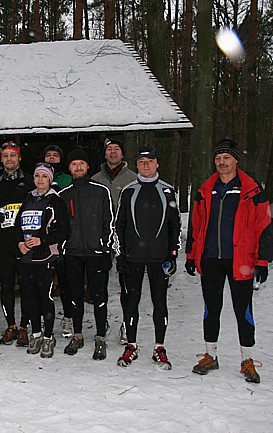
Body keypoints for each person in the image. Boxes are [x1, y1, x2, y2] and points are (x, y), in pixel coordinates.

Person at [186, 138, 273, 384]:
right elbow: (196, 225)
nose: (222, 162)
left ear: (236, 160)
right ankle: (210, 356)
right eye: (218, 158)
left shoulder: (252, 190)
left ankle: (247, 360)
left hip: (241, 260)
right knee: (211, 309)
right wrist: (192, 254)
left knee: (243, 310)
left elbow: (264, 226)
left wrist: (263, 261)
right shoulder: (206, 190)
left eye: (226, 158)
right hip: (211, 258)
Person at [115, 148, 181, 370]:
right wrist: (120, 254)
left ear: (157, 164)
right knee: (131, 301)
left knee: (159, 302)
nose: (145, 165)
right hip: (133, 258)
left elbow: (174, 225)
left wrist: (173, 254)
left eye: (150, 161)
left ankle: (159, 347)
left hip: (159, 258)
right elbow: (119, 225)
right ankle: (131, 345)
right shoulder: (129, 191)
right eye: (141, 161)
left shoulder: (167, 191)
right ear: (136, 164)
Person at [59, 148, 115, 360]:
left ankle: (100, 338)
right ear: (69, 168)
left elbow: (109, 222)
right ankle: (78, 334)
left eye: (81, 163)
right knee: (75, 296)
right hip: (72, 253)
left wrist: (106, 248)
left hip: (96, 252)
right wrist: (63, 250)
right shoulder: (64, 195)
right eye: (74, 164)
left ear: (88, 166)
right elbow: (59, 226)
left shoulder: (101, 191)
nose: (78, 167)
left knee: (99, 297)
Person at [15, 163, 70, 358]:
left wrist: (42, 240)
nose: (40, 180)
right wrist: (19, 243)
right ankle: (36, 334)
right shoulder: (28, 198)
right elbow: (17, 225)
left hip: (45, 256)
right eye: (37, 176)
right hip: (26, 257)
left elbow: (64, 231)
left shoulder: (56, 201)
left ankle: (48, 336)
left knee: (45, 297)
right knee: (30, 297)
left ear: (50, 180)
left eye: (44, 176)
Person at [0, 141, 35, 346]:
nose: (9, 159)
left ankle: (24, 326)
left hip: (25, 244)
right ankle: (11, 325)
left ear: (19, 158)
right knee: (6, 287)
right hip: (4, 244)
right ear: (1, 159)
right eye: (5, 155)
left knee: (27, 287)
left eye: (13, 155)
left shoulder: (30, 181)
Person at [91, 139, 137, 345]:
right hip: (102, 238)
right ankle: (102, 322)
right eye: (109, 149)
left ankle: (127, 323)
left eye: (116, 149)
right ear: (104, 154)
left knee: (127, 284)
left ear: (122, 154)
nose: (112, 152)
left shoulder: (133, 179)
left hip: (126, 239)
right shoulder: (95, 179)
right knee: (100, 283)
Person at [42, 145, 73, 338]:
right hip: (44, 243)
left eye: (56, 155)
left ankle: (68, 317)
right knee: (43, 286)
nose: (52, 158)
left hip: (63, 241)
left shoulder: (68, 180)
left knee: (66, 284)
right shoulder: (38, 179)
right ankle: (43, 320)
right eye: (48, 155)